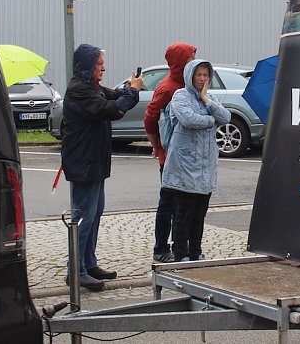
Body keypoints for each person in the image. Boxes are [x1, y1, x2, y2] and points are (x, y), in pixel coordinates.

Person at [60, 44, 143, 291]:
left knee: (95, 213)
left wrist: (130, 89)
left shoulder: (91, 88)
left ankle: (89, 263)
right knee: (83, 216)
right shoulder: (79, 90)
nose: (103, 68)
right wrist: (130, 93)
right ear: (86, 66)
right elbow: (111, 110)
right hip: (83, 162)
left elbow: (114, 96)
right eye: (98, 63)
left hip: (94, 161)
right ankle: (75, 270)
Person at [162, 59, 231, 262]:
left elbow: (226, 117)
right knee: (183, 212)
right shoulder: (180, 95)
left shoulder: (210, 97)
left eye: (205, 75)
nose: (202, 79)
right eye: (198, 75)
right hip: (185, 165)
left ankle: (196, 250)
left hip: (205, 165)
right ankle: (181, 252)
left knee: (200, 213)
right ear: (190, 76)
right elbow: (189, 119)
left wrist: (207, 101)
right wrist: (211, 120)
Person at [143, 42, 197, 263]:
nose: (194, 60)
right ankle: (161, 248)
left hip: (187, 155)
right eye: (191, 57)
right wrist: (157, 145)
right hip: (171, 156)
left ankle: (180, 248)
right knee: (168, 203)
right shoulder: (168, 88)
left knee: (184, 205)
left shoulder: (188, 84)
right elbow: (150, 117)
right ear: (181, 61)